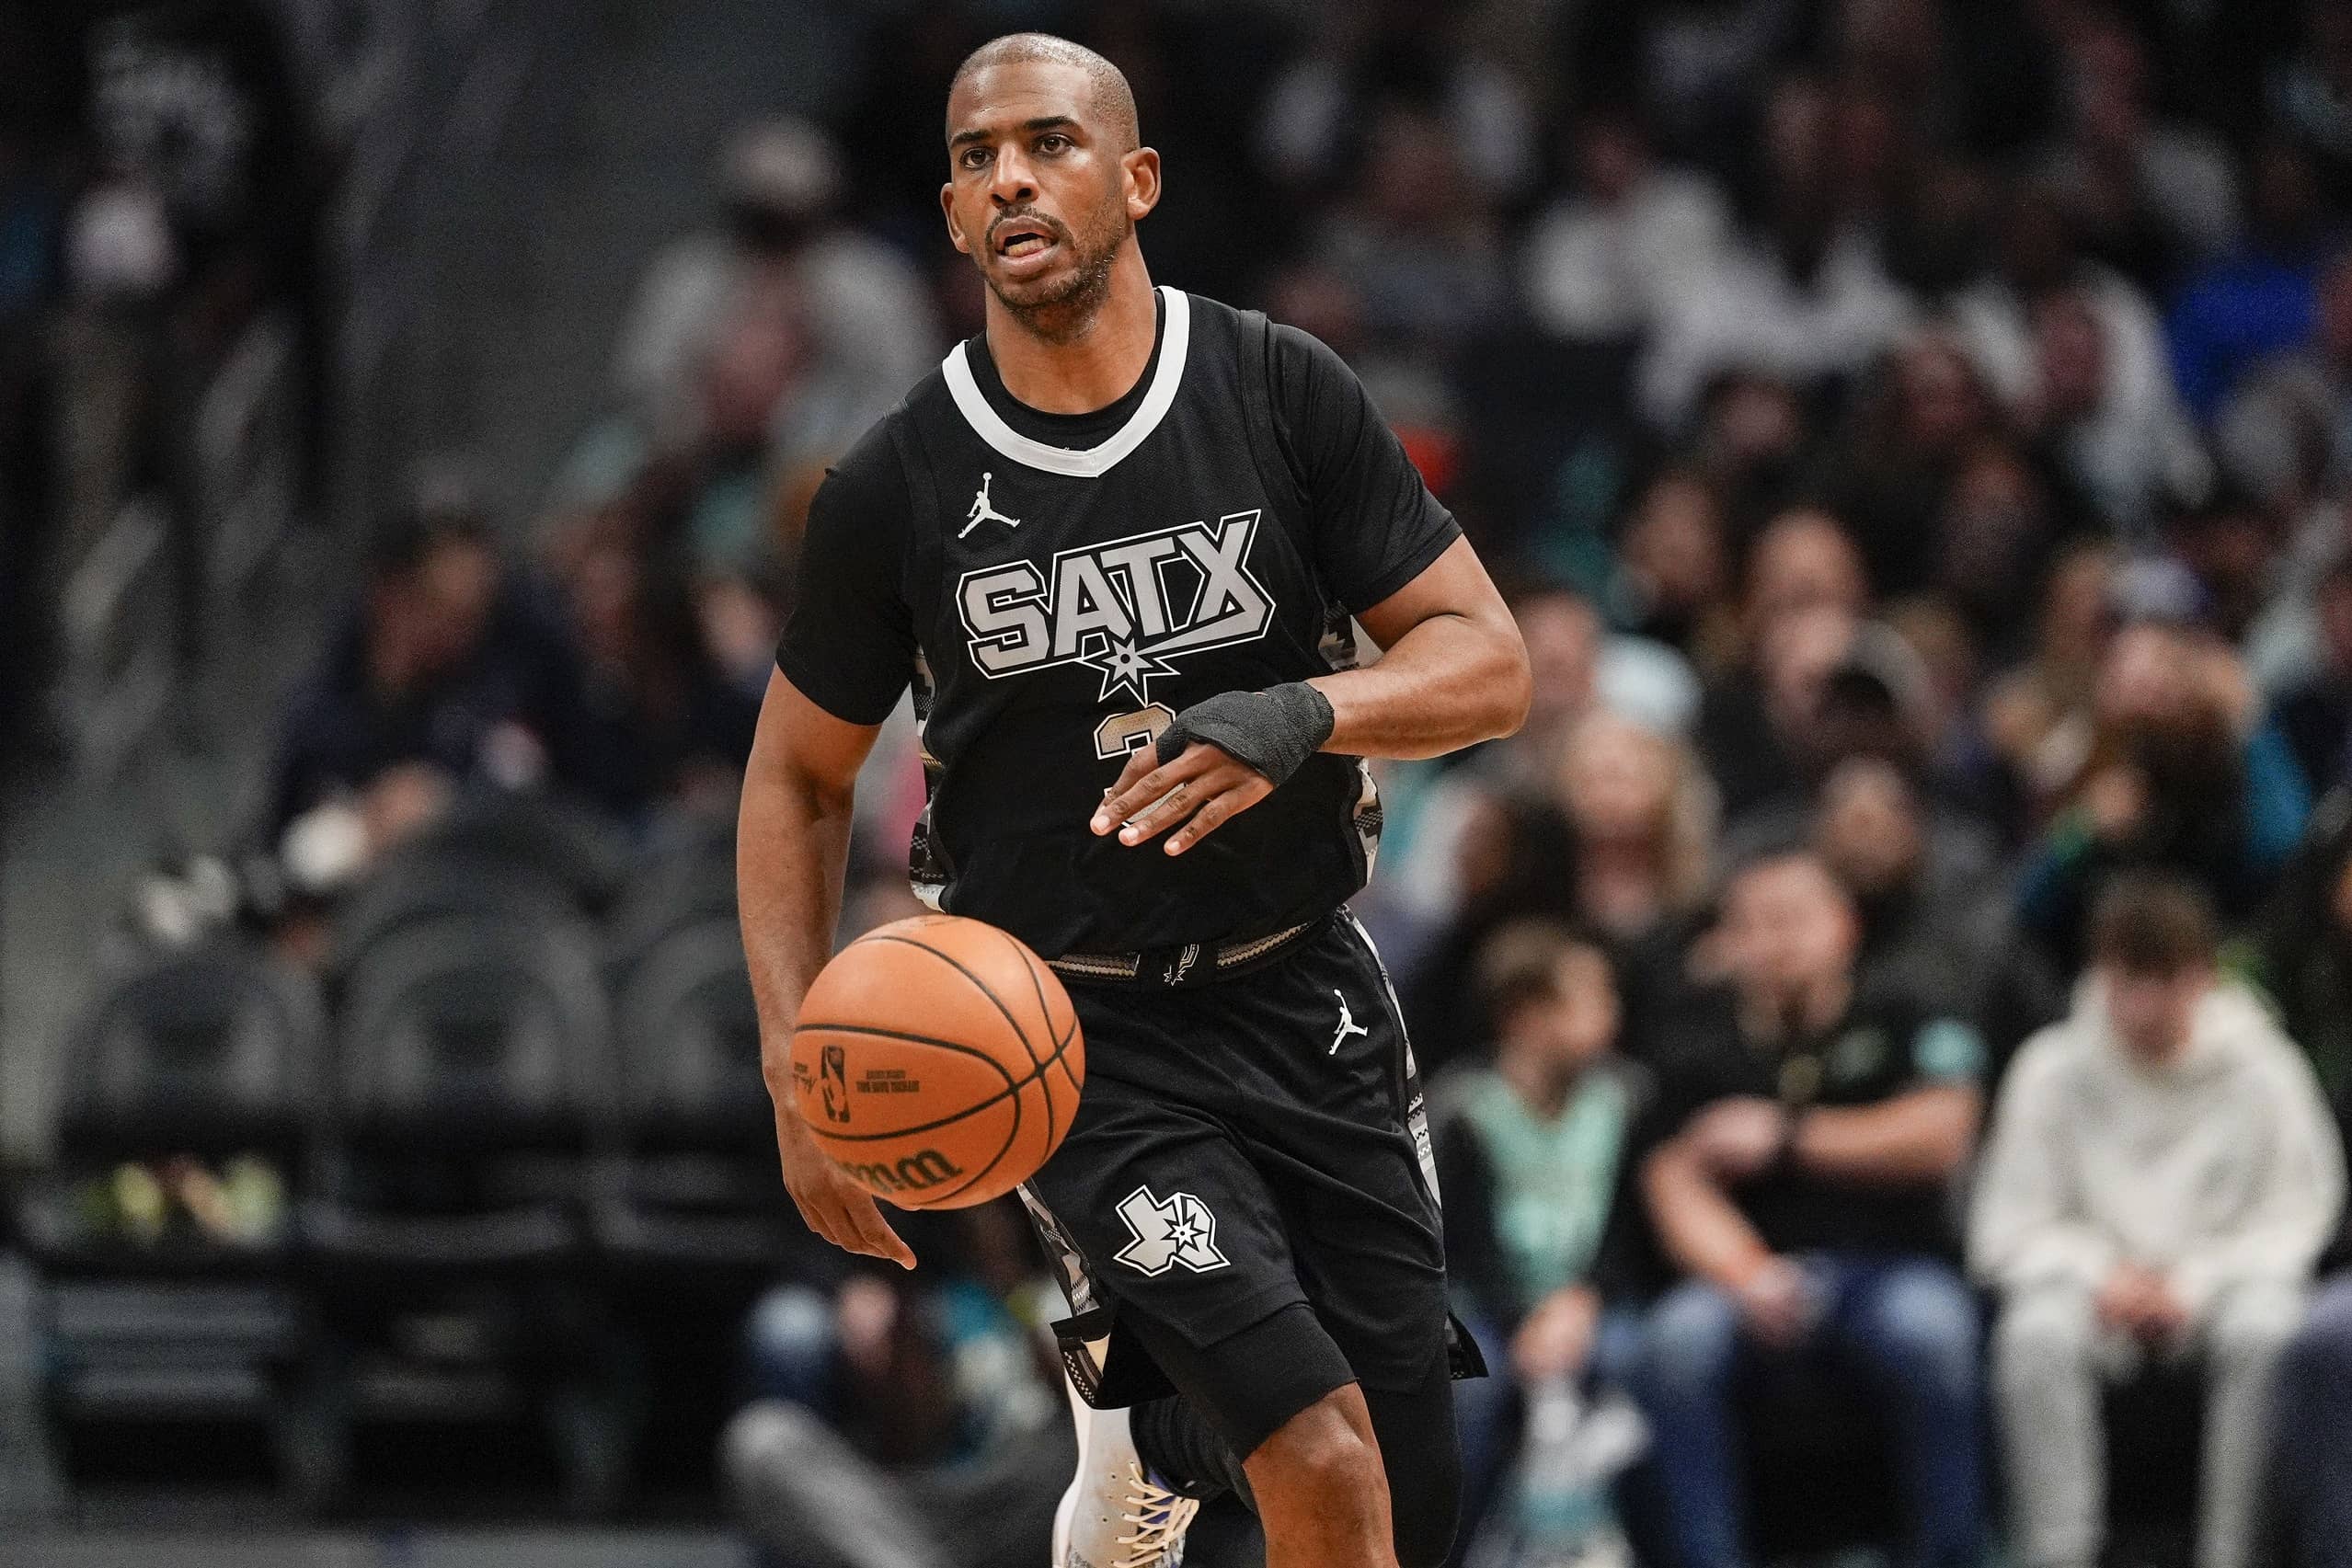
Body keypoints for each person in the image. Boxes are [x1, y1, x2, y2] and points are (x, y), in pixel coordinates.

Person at [738, 34, 1531, 1568]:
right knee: (1321, 1463)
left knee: (1406, 1501)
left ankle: (1138, 1419)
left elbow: (1486, 664)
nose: (1010, 176)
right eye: (976, 157)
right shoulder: (895, 482)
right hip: (1068, 1033)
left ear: (1138, 180)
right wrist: (792, 1065)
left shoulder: (1281, 392)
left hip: (1304, 986)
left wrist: (1309, 710)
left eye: (1048, 141)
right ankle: (1157, 1397)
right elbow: (795, 775)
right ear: (957, 217)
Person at [1971, 874, 2344, 1568]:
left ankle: (2232, 1552)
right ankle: (2058, 1552)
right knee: (2034, 1333)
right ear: (2097, 973)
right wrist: (2098, 1275)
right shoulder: (2049, 1069)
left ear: (2202, 976)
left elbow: (2296, 1214)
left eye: (2164, 981)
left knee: (2266, 1329)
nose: (2142, 1007)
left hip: (2222, 1284)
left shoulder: (2263, 1068)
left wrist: (2195, 1283)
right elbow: (2009, 1223)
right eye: (2124, 981)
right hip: (2091, 1291)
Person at [1629, 850, 1988, 1568]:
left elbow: (1942, 1129)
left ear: (1843, 926)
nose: (1776, 938)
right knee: (1673, 1344)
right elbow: (1670, 1176)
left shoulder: (1905, 1006)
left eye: (1794, 917)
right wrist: (1745, 1271)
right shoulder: (1690, 1037)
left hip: (1887, 1268)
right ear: (1725, 944)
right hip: (1745, 1276)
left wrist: (1788, 1137)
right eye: (1753, 923)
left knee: (1933, 1331)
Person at [1431, 921, 1649, 1562]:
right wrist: (1522, 1317)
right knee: (1471, 1388)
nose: (1610, 1014)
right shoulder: (1463, 1107)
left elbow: (1628, 1227)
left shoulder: (1624, 1098)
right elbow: (1458, 1240)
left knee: (1639, 1365)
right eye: (1588, 999)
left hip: (1594, 1306)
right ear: (1525, 1015)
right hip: (1486, 1305)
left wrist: (1582, 1301)